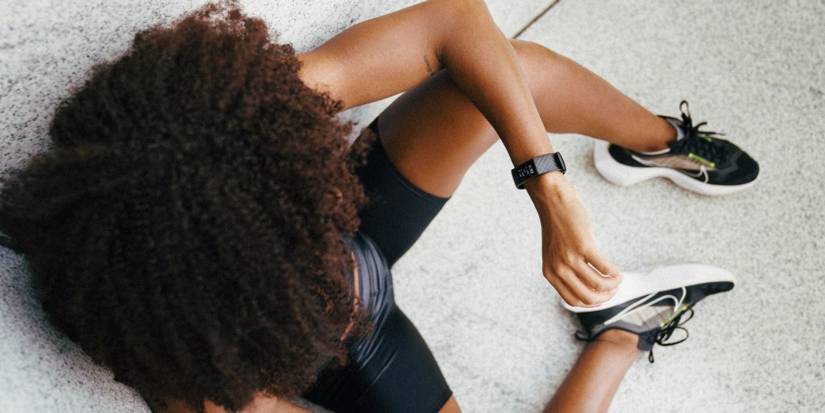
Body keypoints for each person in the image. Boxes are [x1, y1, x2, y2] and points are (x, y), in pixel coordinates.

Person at [0, 1, 756, 412]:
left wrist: (547, 184)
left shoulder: (205, 129)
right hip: (339, 346)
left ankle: (661, 141)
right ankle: (621, 332)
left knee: (507, 73)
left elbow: (453, 21)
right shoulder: (197, 374)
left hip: (322, 265)